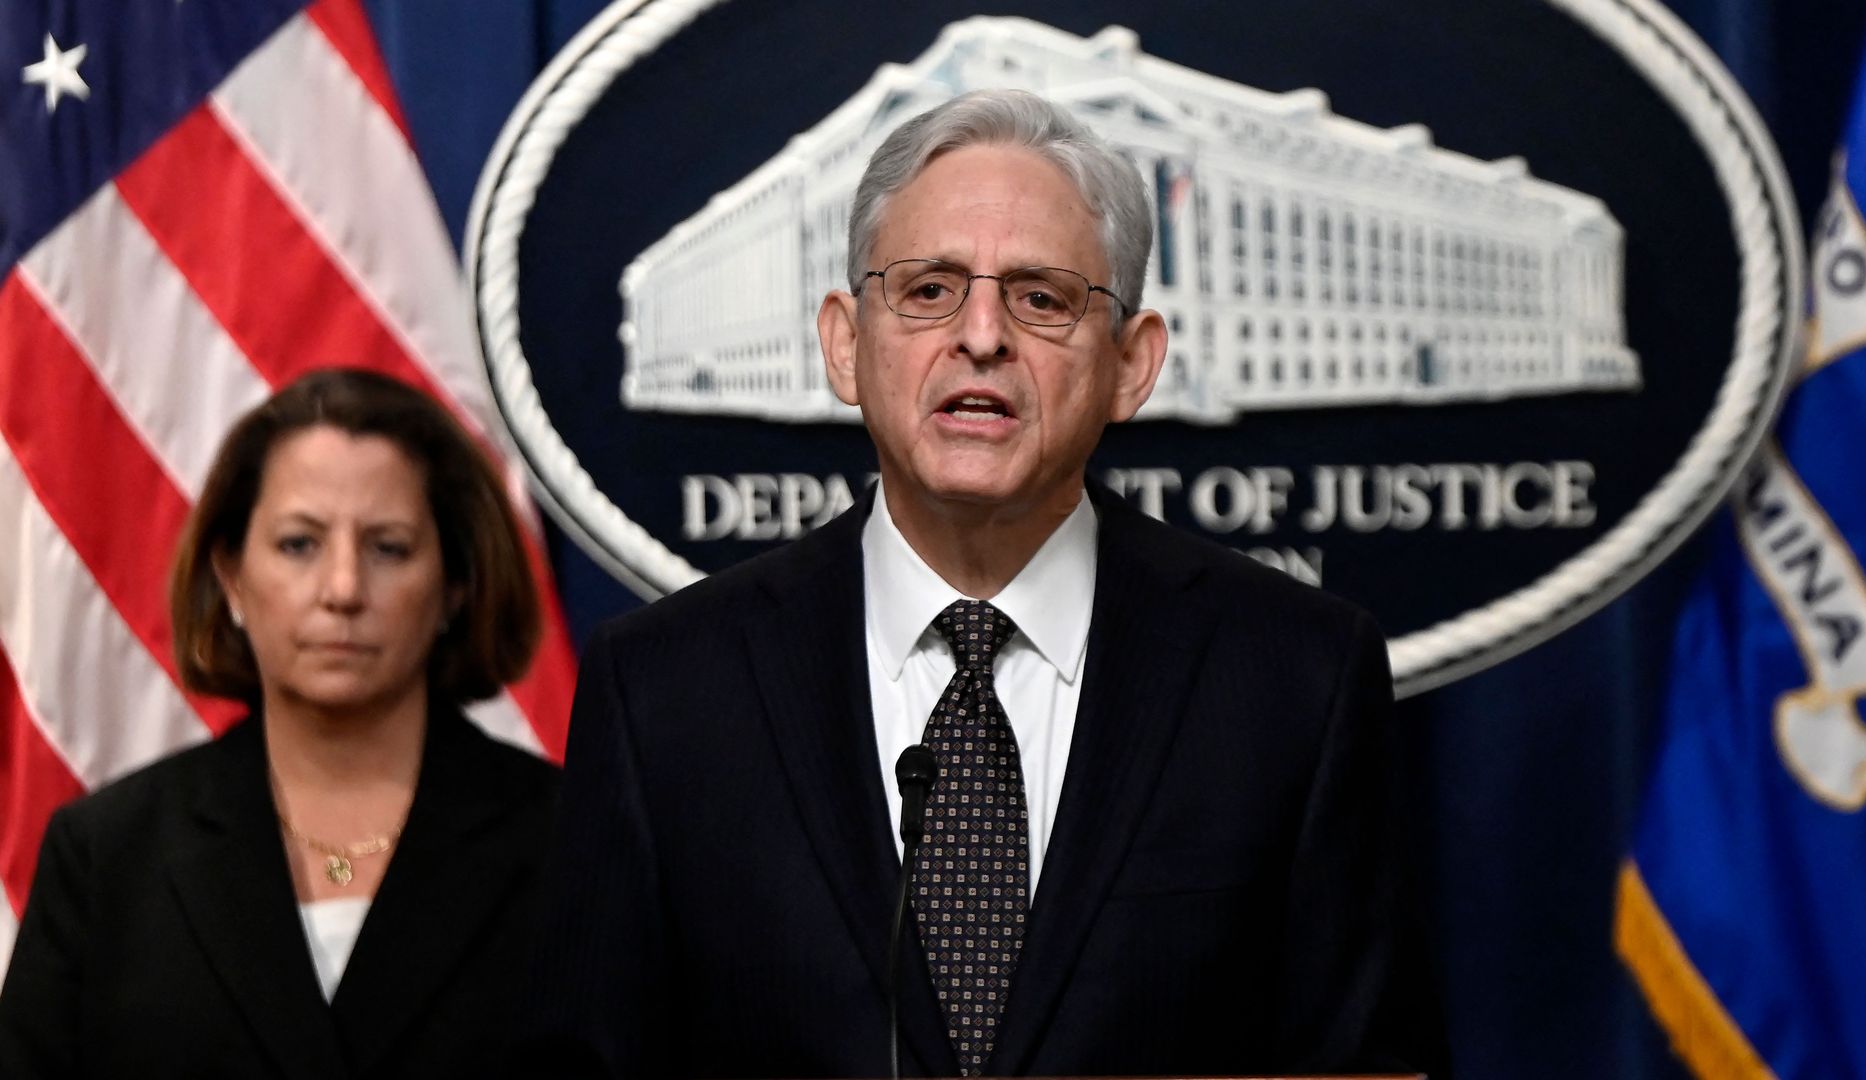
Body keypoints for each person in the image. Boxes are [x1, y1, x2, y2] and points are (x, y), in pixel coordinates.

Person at [529, 89, 1441, 1076]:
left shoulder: (1296, 678)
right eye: (929, 290)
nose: (981, 335)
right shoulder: (664, 689)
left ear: (1131, 365)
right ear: (845, 344)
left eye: (1041, 298)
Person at [0, 368, 559, 1078]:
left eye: (388, 547)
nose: (343, 589)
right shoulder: (107, 856)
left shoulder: (572, 842)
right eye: (300, 544)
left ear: (455, 586)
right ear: (232, 576)